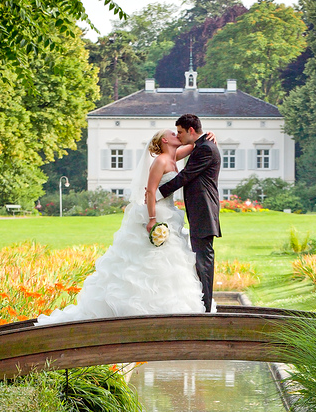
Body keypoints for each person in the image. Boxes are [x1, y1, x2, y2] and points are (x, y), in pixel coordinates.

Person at [34, 128, 208, 325]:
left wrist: (209, 137)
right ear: (165, 140)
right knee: (149, 260)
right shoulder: (160, 161)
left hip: (170, 214)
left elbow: (195, 146)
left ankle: (173, 307)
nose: (178, 135)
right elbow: (150, 191)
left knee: (172, 261)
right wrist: (152, 219)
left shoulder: (173, 156)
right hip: (157, 213)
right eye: (173, 133)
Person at [156, 114, 221, 312]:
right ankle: (203, 304)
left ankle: (206, 308)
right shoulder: (201, 146)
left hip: (204, 212)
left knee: (204, 259)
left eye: (181, 132)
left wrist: (158, 192)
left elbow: (186, 175)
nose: (179, 135)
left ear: (191, 130)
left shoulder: (206, 149)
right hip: (200, 212)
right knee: (200, 258)